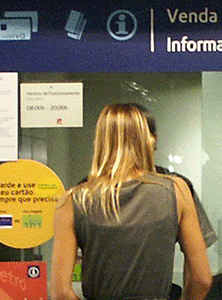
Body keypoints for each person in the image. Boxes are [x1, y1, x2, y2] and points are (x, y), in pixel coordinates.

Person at [51, 104, 212, 300]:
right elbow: (202, 279)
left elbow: (61, 292)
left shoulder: (73, 200)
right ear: (147, 140)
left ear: (100, 141)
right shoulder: (177, 191)